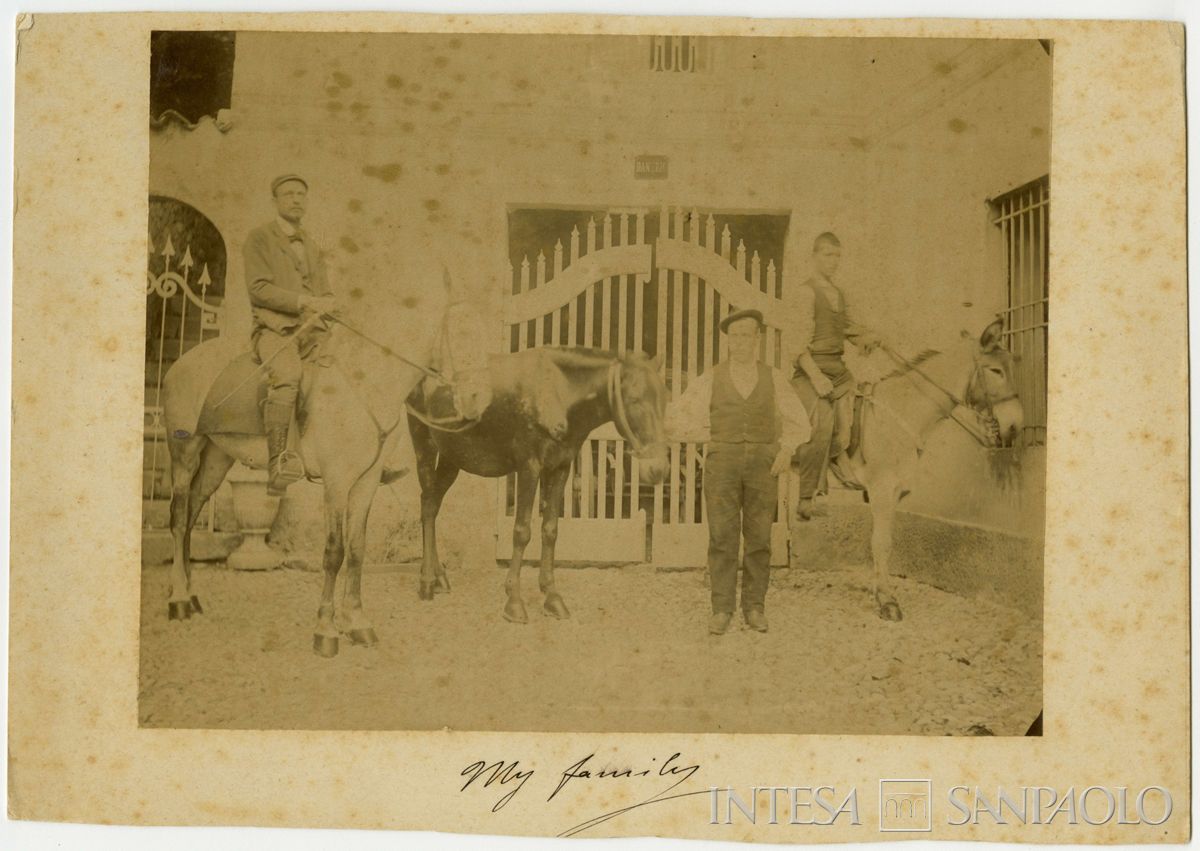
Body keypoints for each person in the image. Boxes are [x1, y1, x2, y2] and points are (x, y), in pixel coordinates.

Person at [665, 309, 812, 635]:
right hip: (723, 463)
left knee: (759, 538)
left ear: (757, 339)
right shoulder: (711, 377)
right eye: (736, 336)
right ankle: (721, 608)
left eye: (748, 335)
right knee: (722, 536)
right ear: (728, 341)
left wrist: (786, 450)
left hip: (763, 463)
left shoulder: (773, 377)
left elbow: (798, 420)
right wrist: (709, 434)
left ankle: (755, 607)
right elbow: (676, 418)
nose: (741, 342)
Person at [243, 174, 339, 495]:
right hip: (274, 330)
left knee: (349, 372)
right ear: (275, 202)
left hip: (313, 333)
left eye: (302, 194)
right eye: (289, 194)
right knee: (287, 373)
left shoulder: (311, 244)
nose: (297, 199)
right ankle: (279, 462)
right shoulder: (259, 239)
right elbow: (258, 289)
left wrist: (332, 305)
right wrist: (303, 301)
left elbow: (323, 291)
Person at [789, 232, 880, 521]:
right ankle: (807, 496)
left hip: (839, 372)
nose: (833, 261)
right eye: (827, 255)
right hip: (810, 371)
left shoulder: (839, 294)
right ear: (814, 257)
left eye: (837, 255)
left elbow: (850, 329)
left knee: (858, 417)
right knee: (822, 421)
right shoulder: (806, 293)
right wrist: (816, 378)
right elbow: (796, 348)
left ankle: (854, 474)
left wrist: (869, 338)